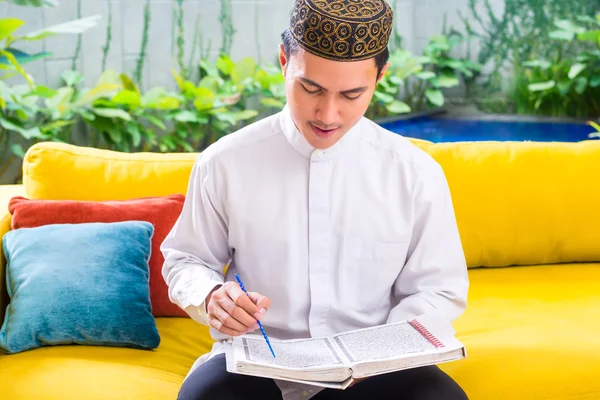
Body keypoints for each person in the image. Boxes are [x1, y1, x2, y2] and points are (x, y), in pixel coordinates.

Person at [160, 0, 470, 399]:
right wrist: (211, 296)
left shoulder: (415, 173)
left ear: (380, 77)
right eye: (311, 88)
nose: (328, 113)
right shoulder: (225, 162)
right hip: (260, 363)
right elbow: (187, 260)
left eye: (352, 94)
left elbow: (437, 289)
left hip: (377, 371)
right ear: (284, 61)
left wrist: (380, 354)